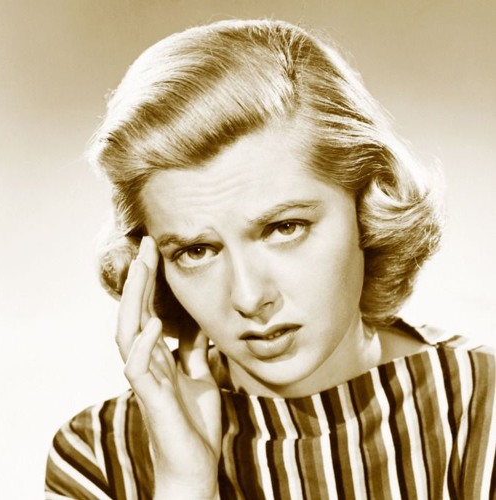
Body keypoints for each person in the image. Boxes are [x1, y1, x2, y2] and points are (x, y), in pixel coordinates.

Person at [45, 19, 495, 499]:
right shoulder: (96, 457)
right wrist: (185, 484)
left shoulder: (482, 410)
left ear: (367, 206)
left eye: (284, 228)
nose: (248, 297)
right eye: (196, 251)